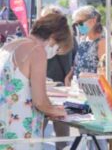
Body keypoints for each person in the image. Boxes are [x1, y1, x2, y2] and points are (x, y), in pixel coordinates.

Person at [0, 13, 72, 150]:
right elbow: (40, 101)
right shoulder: (36, 51)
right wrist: (59, 111)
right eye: (57, 48)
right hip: (20, 133)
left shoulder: (11, 45)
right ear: (53, 38)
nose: (55, 52)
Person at [41, 5, 75, 150]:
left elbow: (68, 64)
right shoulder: (63, 39)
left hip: (55, 90)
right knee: (60, 135)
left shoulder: (60, 40)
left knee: (44, 132)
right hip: (54, 89)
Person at [65, 6, 105, 83]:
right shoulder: (82, 40)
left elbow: (104, 72)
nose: (78, 27)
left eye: (80, 23)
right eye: (75, 24)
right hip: (77, 87)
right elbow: (77, 64)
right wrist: (68, 76)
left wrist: (84, 76)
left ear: (93, 21)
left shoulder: (101, 42)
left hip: (93, 89)